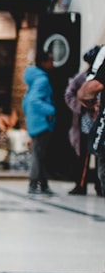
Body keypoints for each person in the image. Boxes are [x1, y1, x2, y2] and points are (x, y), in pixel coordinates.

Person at [64, 45, 103, 195]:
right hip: (86, 121)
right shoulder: (82, 78)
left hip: (100, 120)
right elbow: (69, 95)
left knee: (100, 153)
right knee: (83, 154)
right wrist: (84, 106)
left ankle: (99, 185)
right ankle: (81, 183)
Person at [22, 49, 56, 195]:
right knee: (38, 155)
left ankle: (43, 185)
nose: (53, 64)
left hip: (34, 120)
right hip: (41, 122)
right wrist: (50, 111)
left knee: (40, 154)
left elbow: (26, 101)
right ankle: (34, 183)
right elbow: (33, 100)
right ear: (43, 62)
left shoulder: (34, 78)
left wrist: (29, 115)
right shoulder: (42, 79)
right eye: (50, 61)